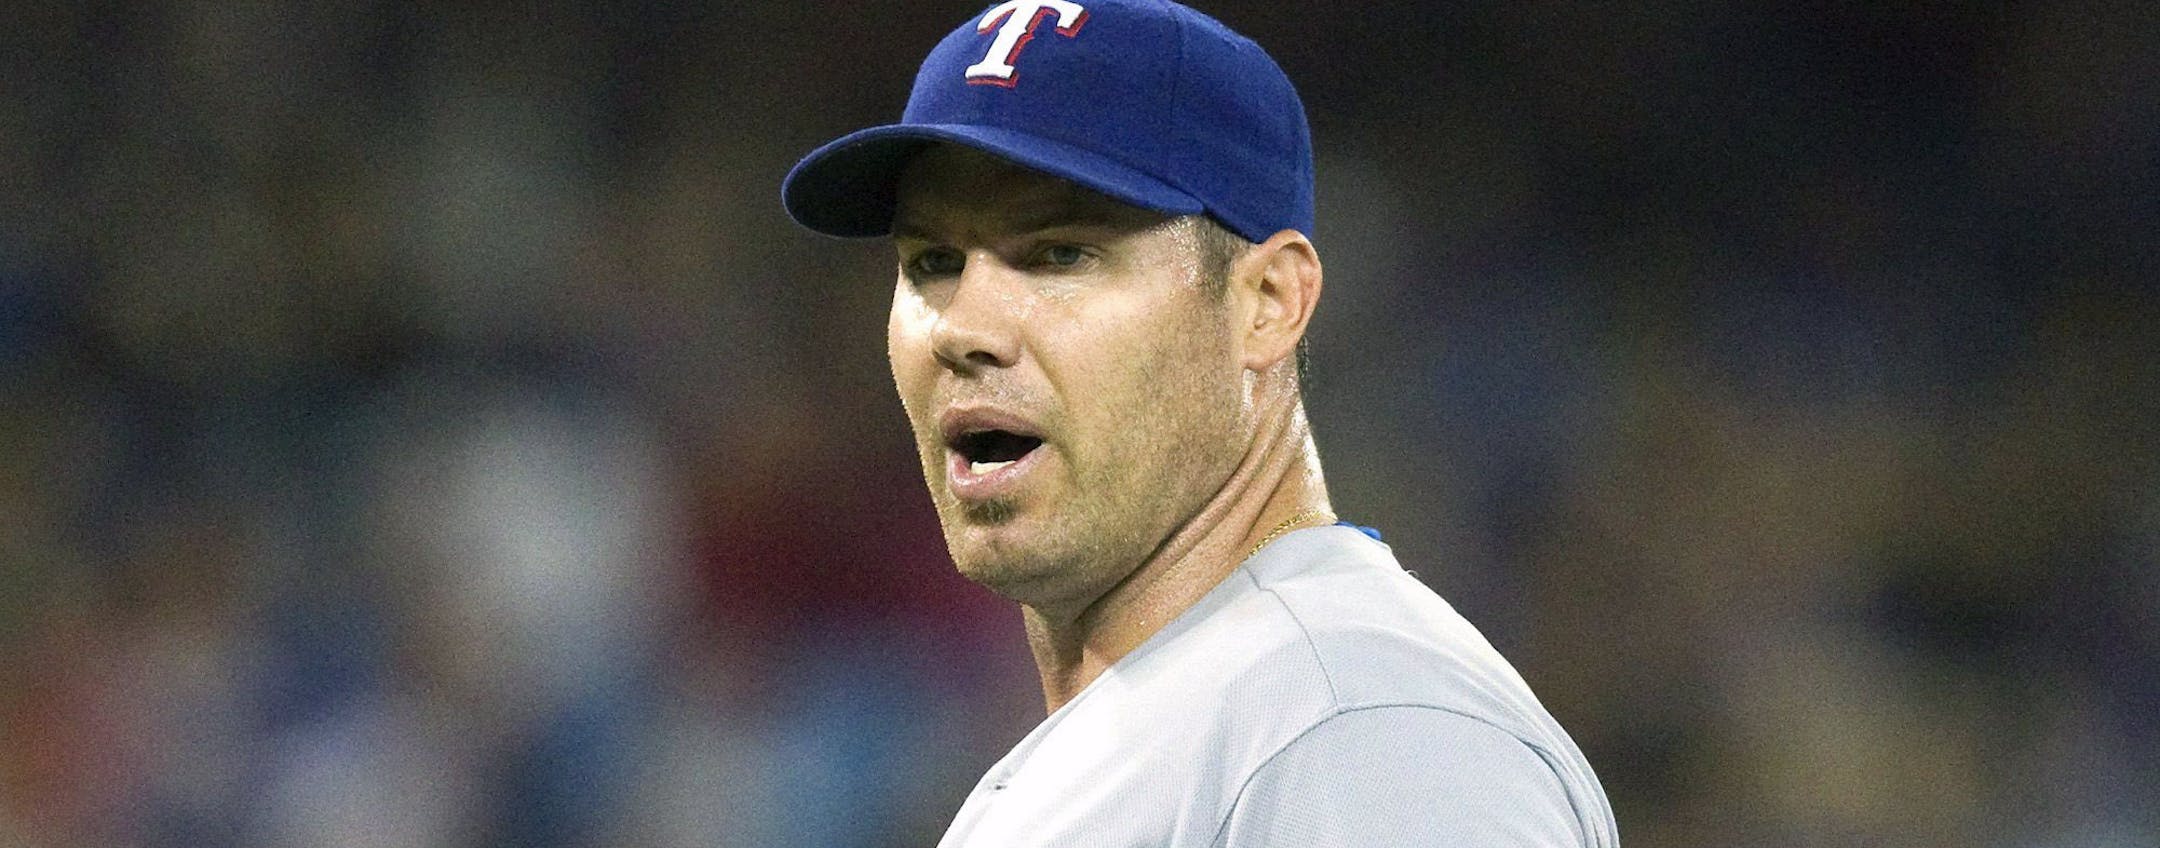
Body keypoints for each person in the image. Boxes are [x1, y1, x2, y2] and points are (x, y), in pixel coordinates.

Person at [781, 1, 1618, 845]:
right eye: (932, 262)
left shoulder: (1359, 728)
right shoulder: (1231, 718)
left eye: (1061, 252)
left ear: (1267, 303)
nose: (965, 328)